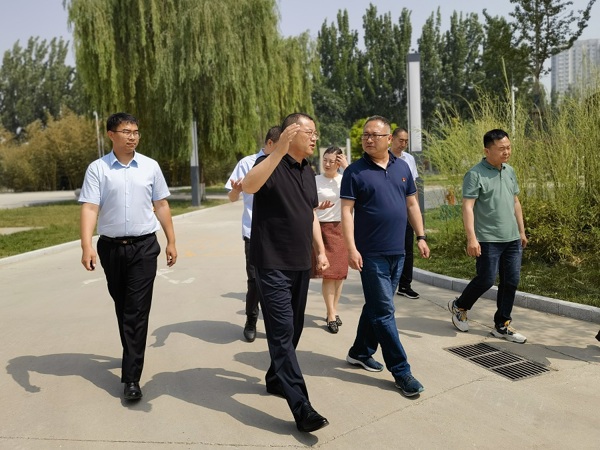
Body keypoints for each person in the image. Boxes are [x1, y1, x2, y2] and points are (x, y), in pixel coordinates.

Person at [79, 112, 177, 401]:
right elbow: (90, 208)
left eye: (135, 132)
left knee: (136, 310)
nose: (133, 137)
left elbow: (161, 204)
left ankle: (131, 378)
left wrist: (171, 240)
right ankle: (131, 353)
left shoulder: (150, 166)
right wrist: (86, 245)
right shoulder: (98, 169)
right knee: (123, 307)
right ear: (111, 135)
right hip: (111, 248)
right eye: (126, 132)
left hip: (144, 247)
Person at [242, 112, 329, 433]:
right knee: (281, 332)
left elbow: (310, 214)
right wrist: (277, 151)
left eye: (315, 132)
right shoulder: (269, 164)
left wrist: (320, 251)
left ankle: (275, 378)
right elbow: (249, 186)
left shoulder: (307, 170)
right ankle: (302, 407)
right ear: (291, 133)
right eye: (309, 132)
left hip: (300, 262)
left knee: (294, 330)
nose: (315, 138)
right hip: (271, 263)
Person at [341, 115, 430, 397]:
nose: (368, 139)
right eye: (365, 135)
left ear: (388, 139)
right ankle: (402, 371)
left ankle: (359, 351)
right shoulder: (355, 172)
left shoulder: (402, 167)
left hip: (398, 251)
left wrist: (421, 236)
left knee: (377, 307)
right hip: (371, 254)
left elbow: (412, 204)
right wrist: (351, 248)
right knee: (384, 312)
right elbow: (346, 212)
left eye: (375, 135)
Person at [448, 129, 528, 344]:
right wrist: (471, 238)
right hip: (487, 238)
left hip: (511, 238)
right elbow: (467, 207)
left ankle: (502, 325)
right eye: (501, 149)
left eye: (508, 147)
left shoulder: (510, 171)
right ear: (487, 150)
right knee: (485, 280)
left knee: (511, 281)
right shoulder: (475, 174)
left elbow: (516, 202)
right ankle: (460, 306)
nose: (506, 152)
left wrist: (521, 231)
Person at [225, 126, 281, 342]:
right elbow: (232, 198)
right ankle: (251, 319)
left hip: (280, 233)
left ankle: (276, 323)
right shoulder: (247, 163)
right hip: (254, 231)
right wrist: (237, 190)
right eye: (280, 146)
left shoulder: (284, 163)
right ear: (270, 143)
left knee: (278, 281)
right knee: (255, 280)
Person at [312, 146, 349, 334]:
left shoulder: (345, 180)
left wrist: (347, 168)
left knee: (340, 275)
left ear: (339, 162)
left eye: (332, 161)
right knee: (329, 274)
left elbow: (360, 193)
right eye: (325, 160)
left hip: (341, 229)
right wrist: (318, 206)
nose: (327, 164)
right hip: (322, 229)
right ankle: (331, 314)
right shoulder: (315, 180)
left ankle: (333, 310)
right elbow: (307, 204)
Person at [390, 127, 420, 299]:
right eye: (400, 140)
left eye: (406, 141)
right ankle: (387, 283)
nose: (403, 144)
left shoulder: (409, 159)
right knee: (389, 248)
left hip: (406, 210)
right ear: (391, 139)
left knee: (407, 249)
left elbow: (413, 187)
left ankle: (405, 285)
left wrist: (415, 210)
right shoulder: (384, 157)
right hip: (390, 212)